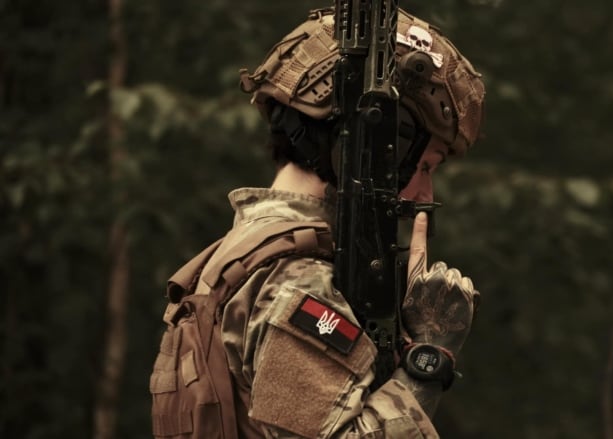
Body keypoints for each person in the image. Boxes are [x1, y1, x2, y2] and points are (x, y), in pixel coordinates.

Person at [150, 6, 485, 438]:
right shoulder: (298, 276)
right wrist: (432, 354)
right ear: (386, 148)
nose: (425, 196)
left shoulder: (239, 255)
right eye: (425, 166)